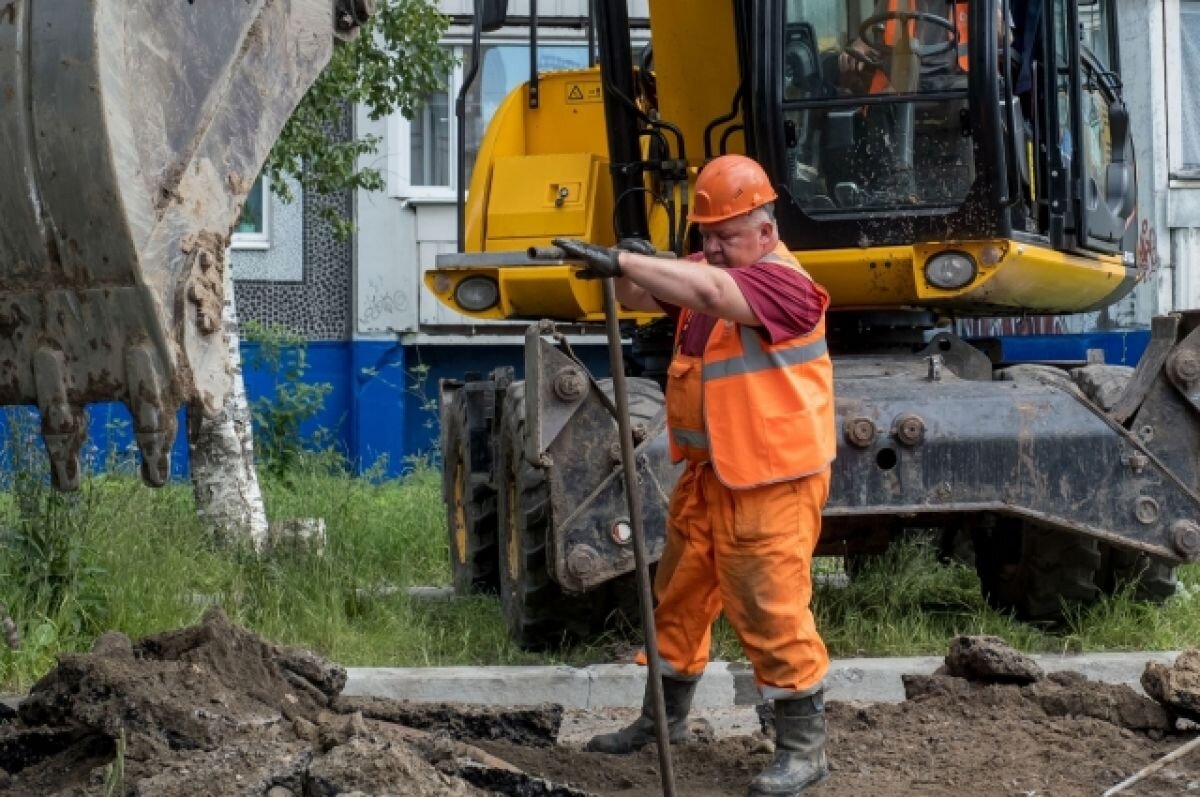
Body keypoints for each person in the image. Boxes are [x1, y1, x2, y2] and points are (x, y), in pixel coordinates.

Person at [552, 154, 837, 797]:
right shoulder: (714, 272)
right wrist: (616, 264)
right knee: (676, 601)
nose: (709, 248)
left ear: (764, 230)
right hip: (711, 478)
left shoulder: (782, 284)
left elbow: (704, 290)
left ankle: (803, 748)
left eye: (724, 235)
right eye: (703, 235)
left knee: (771, 608)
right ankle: (662, 723)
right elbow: (638, 294)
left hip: (771, 484)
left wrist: (625, 261)